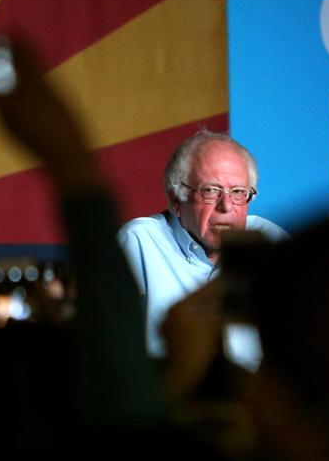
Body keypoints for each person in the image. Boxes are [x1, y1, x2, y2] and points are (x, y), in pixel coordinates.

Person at [118, 130, 287, 356]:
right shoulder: (138, 242)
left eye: (238, 192)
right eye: (211, 191)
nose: (226, 206)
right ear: (176, 200)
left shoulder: (270, 241)